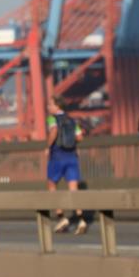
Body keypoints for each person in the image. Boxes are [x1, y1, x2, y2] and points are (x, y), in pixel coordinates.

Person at [46, 96, 88, 235]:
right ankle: (81, 220)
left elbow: (54, 132)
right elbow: (80, 137)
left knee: (52, 184)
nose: (48, 107)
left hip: (58, 156)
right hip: (72, 156)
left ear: (57, 106)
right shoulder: (71, 120)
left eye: (50, 104)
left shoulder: (52, 118)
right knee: (73, 189)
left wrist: (47, 147)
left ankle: (61, 217)